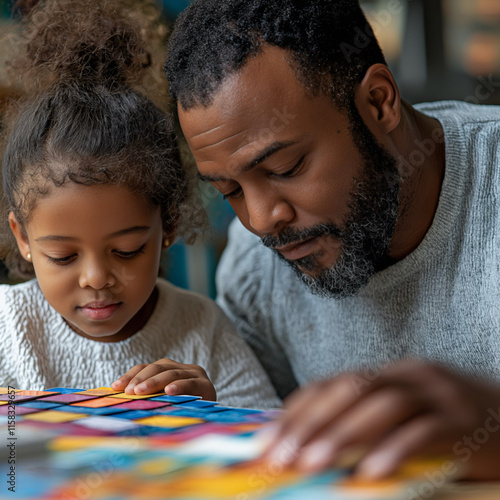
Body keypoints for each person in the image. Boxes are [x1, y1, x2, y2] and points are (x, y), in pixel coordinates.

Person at [164, 0, 500, 480]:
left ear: (379, 102)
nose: (261, 221)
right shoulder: (253, 269)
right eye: (230, 191)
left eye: (285, 168)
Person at [0, 0, 280, 410]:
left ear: (168, 226)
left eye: (126, 251)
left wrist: (209, 413)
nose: (96, 278)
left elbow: (271, 443)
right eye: (62, 256)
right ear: (23, 237)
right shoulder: (9, 326)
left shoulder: (203, 328)